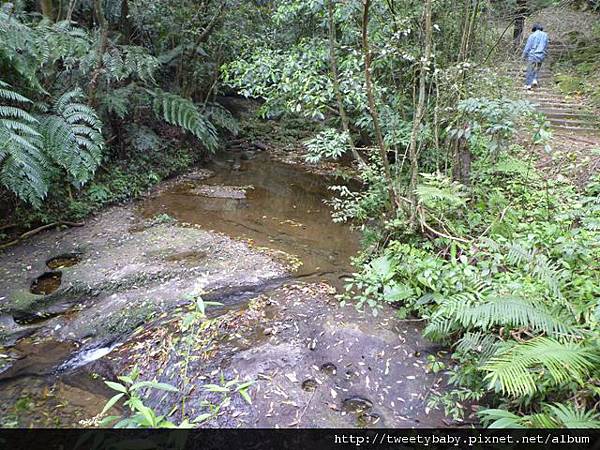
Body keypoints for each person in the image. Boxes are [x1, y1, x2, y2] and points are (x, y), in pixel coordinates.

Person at [522, 23, 549, 90]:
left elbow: (528, 46)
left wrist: (524, 55)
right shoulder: (545, 35)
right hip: (541, 54)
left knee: (530, 69)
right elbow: (546, 46)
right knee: (537, 68)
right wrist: (545, 53)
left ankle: (528, 84)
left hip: (532, 55)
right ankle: (535, 79)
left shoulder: (532, 35)